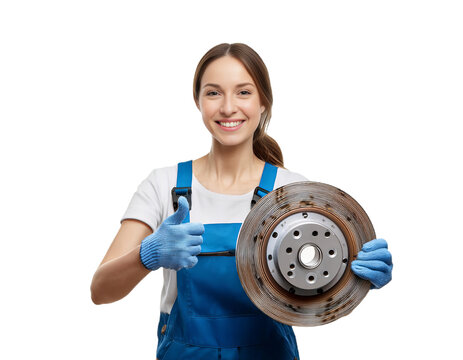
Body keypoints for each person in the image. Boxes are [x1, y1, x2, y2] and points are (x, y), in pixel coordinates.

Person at [90, 43, 393, 360]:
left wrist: (354, 279)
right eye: (213, 93)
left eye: (244, 92)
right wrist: (148, 254)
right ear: (198, 101)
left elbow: (312, 295)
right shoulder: (163, 185)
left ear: (263, 103)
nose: (228, 107)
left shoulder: (291, 193)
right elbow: (101, 291)